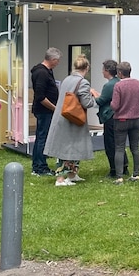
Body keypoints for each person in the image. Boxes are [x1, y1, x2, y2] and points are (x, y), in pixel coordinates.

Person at [44, 55, 96, 187]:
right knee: (67, 148)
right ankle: (60, 179)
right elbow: (86, 102)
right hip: (72, 119)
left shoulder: (67, 79)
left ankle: (72, 175)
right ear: (87, 68)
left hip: (63, 116)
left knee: (71, 147)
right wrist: (94, 96)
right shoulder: (83, 82)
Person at [90, 59, 128, 179]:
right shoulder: (119, 82)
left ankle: (114, 169)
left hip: (110, 117)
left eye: (103, 70)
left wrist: (94, 94)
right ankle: (124, 165)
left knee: (110, 144)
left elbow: (101, 101)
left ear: (107, 71)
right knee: (119, 143)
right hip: (119, 116)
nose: (102, 72)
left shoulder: (109, 85)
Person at [110, 61, 139, 184]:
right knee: (135, 148)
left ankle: (119, 177)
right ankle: (136, 174)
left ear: (120, 73)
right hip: (136, 120)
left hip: (121, 120)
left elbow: (115, 105)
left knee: (119, 148)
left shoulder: (118, 86)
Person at [30, 47, 61, 176]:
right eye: (57, 61)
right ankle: (40, 167)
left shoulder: (47, 71)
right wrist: (55, 108)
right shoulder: (42, 73)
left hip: (46, 110)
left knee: (41, 137)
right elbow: (40, 96)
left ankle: (37, 164)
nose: (58, 63)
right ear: (53, 60)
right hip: (44, 111)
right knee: (43, 138)